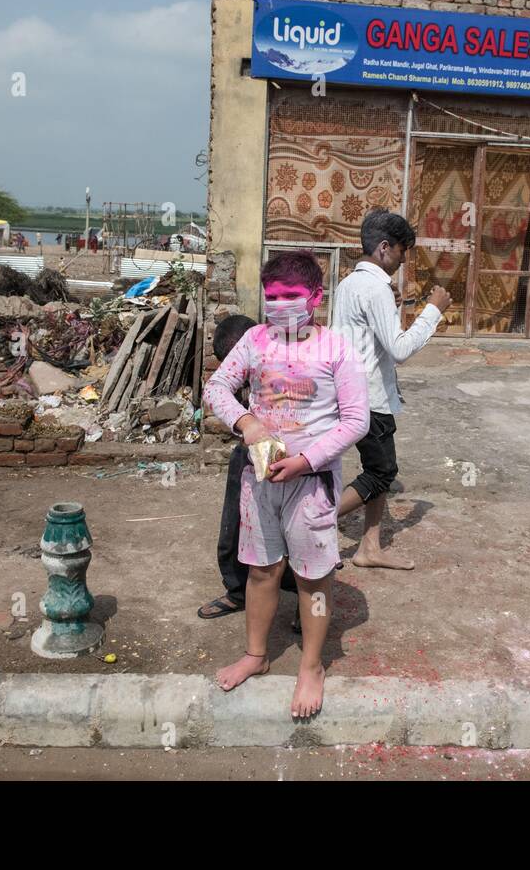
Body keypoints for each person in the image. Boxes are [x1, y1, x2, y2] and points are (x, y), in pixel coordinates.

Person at [203, 251, 369, 719]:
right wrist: (247, 422)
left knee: (314, 578)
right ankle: (256, 655)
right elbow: (217, 388)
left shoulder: (336, 348)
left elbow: (357, 420)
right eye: (271, 297)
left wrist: (305, 460)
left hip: (312, 484)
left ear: (315, 298)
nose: (279, 306)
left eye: (290, 297)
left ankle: (312, 666)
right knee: (260, 570)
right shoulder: (255, 341)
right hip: (259, 481)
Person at [329, 208, 451, 570]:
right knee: (382, 472)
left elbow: (366, 336)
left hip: (351, 387)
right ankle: (313, 524)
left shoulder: (350, 283)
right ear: (384, 248)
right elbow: (399, 349)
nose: (402, 260)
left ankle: (370, 546)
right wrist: (433, 311)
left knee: (376, 468)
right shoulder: (376, 286)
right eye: (401, 252)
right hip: (368, 395)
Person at [197, 314, 301, 625]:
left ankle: (305, 600)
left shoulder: (286, 365)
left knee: (295, 529)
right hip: (249, 451)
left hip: (293, 456)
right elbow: (218, 395)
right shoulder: (232, 372)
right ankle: (239, 589)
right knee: (235, 521)